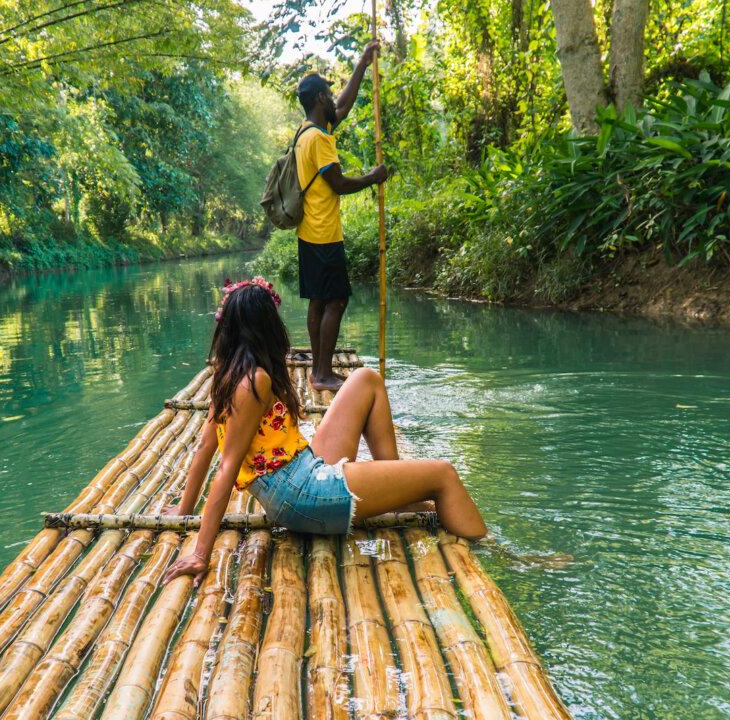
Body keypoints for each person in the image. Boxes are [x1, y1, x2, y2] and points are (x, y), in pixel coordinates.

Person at [161, 277, 486, 586]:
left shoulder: (228, 376)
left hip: (301, 474)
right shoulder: (254, 380)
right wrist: (200, 553)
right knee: (444, 475)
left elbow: (204, 446)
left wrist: (185, 508)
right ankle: (489, 549)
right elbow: (227, 466)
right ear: (269, 328)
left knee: (366, 380)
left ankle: (398, 492)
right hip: (301, 494)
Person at [294, 41, 390, 392]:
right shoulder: (319, 140)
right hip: (323, 233)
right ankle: (322, 374)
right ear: (321, 98)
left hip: (309, 231)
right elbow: (338, 183)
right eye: (329, 93)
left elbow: (344, 106)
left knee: (319, 300)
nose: (334, 98)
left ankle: (319, 370)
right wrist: (373, 177)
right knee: (336, 300)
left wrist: (362, 62)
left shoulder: (306, 132)